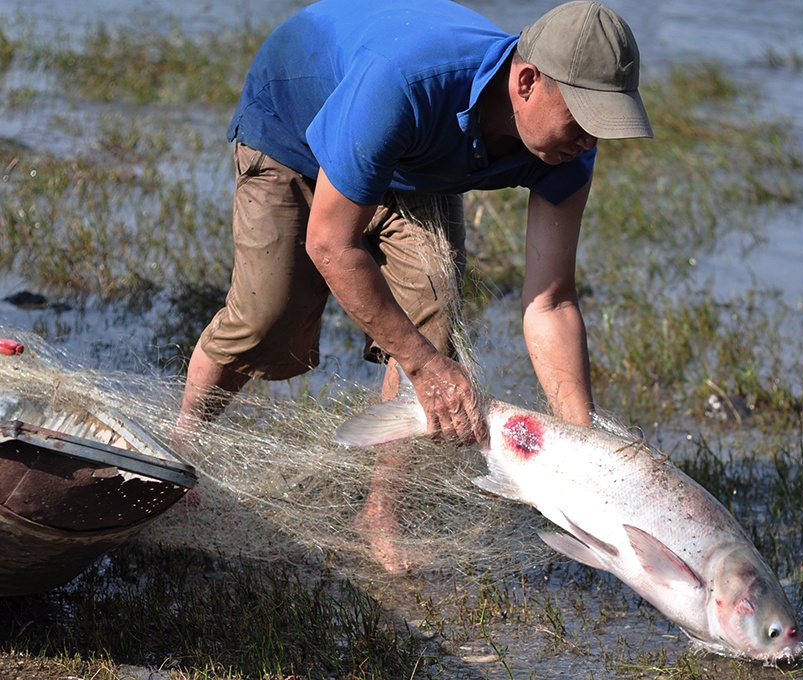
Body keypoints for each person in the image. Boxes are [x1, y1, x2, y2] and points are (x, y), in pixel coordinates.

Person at [178, 0, 652, 567]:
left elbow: (550, 300)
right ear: (528, 82)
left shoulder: (566, 150)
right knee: (269, 313)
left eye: (604, 128)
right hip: (294, 122)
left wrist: (581, 447)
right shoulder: (406, 84)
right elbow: (330, 243)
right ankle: (184, 443)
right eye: (584, 122)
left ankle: (380, 513)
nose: (590, 144)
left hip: (407, 152)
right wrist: (425, 368)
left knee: (429, 305)